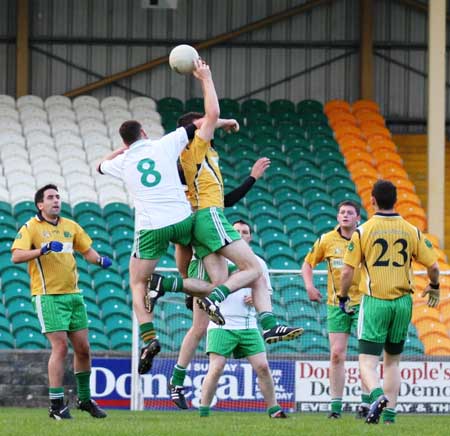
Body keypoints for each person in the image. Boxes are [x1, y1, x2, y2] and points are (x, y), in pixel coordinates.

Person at [96, 59, 222, 375]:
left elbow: (99, 165)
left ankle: (149, 337)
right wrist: (215, 98)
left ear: (126, 142)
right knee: (185, 246)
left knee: (137, 282)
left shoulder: (122, 162)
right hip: (182, 218)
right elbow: (208, 118)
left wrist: (121, 152)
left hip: (151, 227)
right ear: (145, 133)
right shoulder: (165, 143)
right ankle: (187, 290)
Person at [164, 160, 272, 408]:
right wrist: (185, 282)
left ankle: (177, 380)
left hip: (201, 260)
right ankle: (269, 322)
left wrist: (186, 283)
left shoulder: (197, 197)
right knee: (248, 273)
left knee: (201, 323)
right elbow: (182, 245)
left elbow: (182, 245)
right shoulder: (191, 196)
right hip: (203, 259)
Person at [340, 180, 440, 425]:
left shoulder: (363, 231)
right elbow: (434, 266)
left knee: (366, 360)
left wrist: (343, 297)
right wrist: (434, 286)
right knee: (393, 361)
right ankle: (390, 417)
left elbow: (346, 272)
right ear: (396, 200)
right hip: (403, 302)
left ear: (372, 199)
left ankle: (376, 396)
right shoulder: (411, 230)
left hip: (375, 301)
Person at [11, 184, 110, 420]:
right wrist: (41, 250)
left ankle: (84, 400)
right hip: (48, 297)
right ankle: (56, 405)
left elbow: (88, 252)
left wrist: (100, 261)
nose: (56, 200)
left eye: (58, 197)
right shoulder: (31, 228)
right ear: (40, 204)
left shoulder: (71, 226)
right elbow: (16, 256)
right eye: (50, 198)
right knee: (61, 347)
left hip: (74, 295)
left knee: (83, 350)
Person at [194, 220, 287, 419]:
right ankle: (203, 412)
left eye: (245, 231)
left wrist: (255, 299)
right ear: (229, 233)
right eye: (237, 231)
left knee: (262, 367)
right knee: (216, 368)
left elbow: (266, 293)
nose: (241, 234)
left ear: (250, 236)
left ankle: (274, 409)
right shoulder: (218, 259)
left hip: (248, 324)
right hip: (221, 324)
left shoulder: (258, 262)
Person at [302, 201, 370, 419]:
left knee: (365, 355)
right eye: (342, 212)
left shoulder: (366, 238)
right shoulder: (327, 239)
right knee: (336, 354)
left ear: (358, 218)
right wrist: (309, 286)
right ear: (337, 217)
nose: (345, 215)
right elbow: (307, 263)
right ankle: (335, 407)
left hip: (363, 302)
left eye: (350, 213)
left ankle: (366, 404)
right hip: (336, 304)